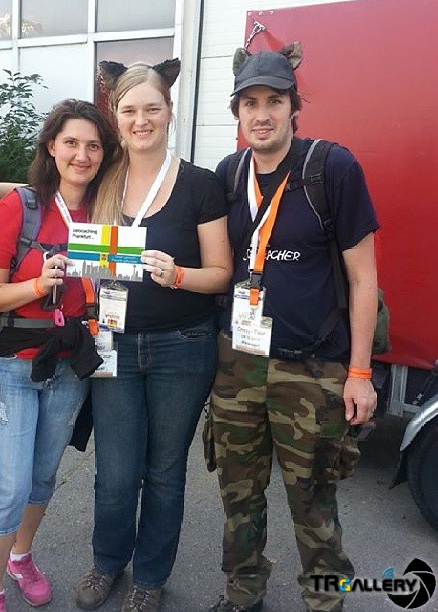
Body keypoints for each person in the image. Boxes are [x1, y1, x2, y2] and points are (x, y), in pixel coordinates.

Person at [207, 44, 379, 612]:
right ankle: (243, 591)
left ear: (293, 107)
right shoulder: (229, 175)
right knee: (238, 494)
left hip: (313, 366)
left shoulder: (331, 169)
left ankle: (328, 600)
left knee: (314, 501)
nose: (261, 115)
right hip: (238, 364)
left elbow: (364, 279)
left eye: (273, 102)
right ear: (237, 111)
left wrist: (359, 373)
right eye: (249, 103)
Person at [74, 60, 232, 612]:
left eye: (151, 109)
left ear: (169, 111)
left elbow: (221, 273)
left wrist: (180, 275)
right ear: (115, 116)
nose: (140, 120)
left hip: (181, 345)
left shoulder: (200, 184)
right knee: (116, 472)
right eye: (129, 110)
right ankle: (107, 563)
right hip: (112, 343)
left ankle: (150, 576)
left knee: (164, 472)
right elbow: (39, 191)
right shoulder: (101, 178)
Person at [0, 99, 120, 612]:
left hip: (70, 367)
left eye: (93, 145)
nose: (82, 154)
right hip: (12, 365)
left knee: (40, 478)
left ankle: (21, 557)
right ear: (52, 146)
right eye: (72, 142)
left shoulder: (107, 212)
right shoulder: (22, 206)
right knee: (10, 485)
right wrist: (37, 284)